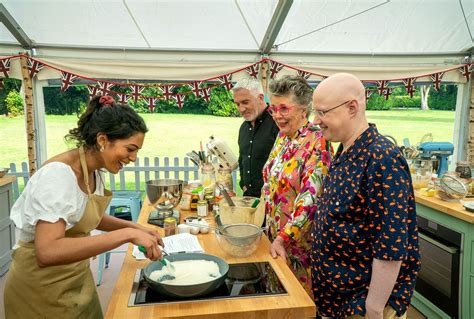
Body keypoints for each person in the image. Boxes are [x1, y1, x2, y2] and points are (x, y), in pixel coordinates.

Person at [4, 95, 163, 319]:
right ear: (102, 140)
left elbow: (89, 218)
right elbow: (47, 251)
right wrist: (127, 235)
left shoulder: (94, 171)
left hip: (77, 281)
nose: (134, 158)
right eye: (130, 149)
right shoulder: (58, 176)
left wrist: (137, 228)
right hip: (42, 292)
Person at [310, 73, 420, 319]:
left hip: (361, 305)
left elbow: (391, 245)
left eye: (322, 112)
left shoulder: (382, 158)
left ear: (352, 107)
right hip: (337, 301)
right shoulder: (345, 149)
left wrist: (374, 308)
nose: (316, 120)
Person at [261, 75, 331, 296]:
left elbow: (311, 199)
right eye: (273, 109)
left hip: (299, 248)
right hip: (276, 241)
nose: (277, 115)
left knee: (298, 304)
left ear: (303, 109)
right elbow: (270, 182)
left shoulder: (317, 141)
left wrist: (284, 237)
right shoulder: (283, 137)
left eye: (284, 108)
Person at [232, 78, 279, 198]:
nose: (241, 109)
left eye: (245, 102)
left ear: (260, 98)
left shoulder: (278, 123)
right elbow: (242, 159)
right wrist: (243, 184)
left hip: (272, 200)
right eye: (237, 104)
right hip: (248, 198)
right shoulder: (243, 128)